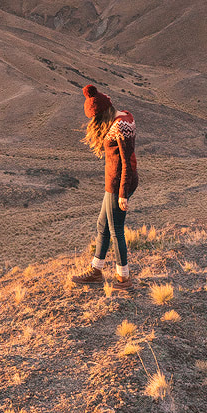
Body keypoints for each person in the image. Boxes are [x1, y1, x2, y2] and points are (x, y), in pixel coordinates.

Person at [69, 83, 139, 289]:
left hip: (119, 184)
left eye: (96, 117)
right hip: (114, 183)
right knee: (103, 225)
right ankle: (96, 271)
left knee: (115, 228)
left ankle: (123, 278)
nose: (95, 122)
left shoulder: (119, 126)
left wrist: (123, 194)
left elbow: (126, 161)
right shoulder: (125, 116)